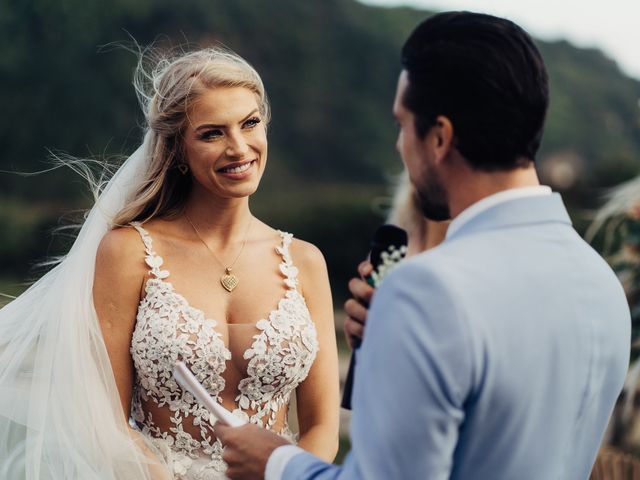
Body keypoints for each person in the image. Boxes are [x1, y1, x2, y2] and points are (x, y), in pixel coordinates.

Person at [214, 12, 631, 480]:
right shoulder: (601, 283)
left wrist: (276, 462)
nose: (399, 145)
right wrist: (391, 350)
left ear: (439, 137)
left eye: (402, 125)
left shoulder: (428, 290)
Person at [0, 47, 339, 479]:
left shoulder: (305, 261)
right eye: (212, 133)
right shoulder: (128, 253)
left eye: (250, 123)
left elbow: (324, 427)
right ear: (178, 149)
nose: (239, 148)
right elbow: (106, 418)